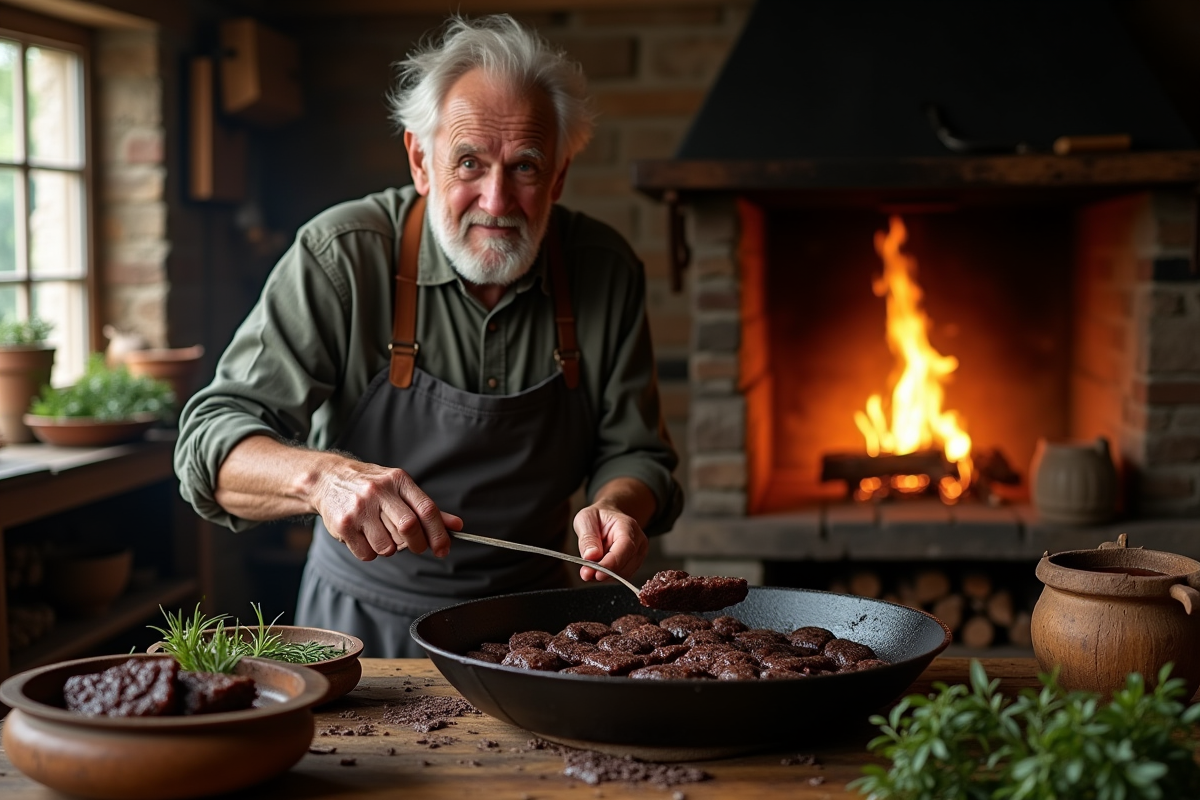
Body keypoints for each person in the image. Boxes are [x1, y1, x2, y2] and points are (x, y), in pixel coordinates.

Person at [173, 14, 683, 657]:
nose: (496, 201)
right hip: (360, 633)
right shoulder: (342, 255)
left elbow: (640, 455)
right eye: (469, 163)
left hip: (541, 630)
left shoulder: (603, 267)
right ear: (420, 158)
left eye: (525, 167)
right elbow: (208, 446)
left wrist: (619, 504)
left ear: (558, 175)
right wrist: (324, 479)